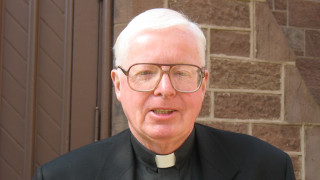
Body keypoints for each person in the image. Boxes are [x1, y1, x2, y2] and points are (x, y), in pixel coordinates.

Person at [32, 8, 296, 180]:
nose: (165, 90)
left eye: (182, 72)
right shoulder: (61, 176)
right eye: (145, 72)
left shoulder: (268, 169)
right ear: (118, 85)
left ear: (203, 83)